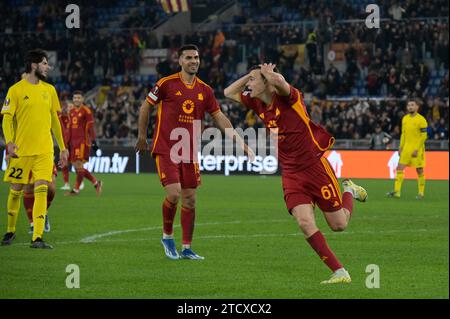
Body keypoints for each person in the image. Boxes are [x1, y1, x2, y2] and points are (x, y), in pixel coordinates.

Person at [224, 63, 368, 284]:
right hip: (291, 173)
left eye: (253, 80)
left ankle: (348, 189)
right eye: (249, 80)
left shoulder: (290, 99)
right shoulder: (257, 104)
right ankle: (340, 271)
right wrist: (251, 75)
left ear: (267, 84)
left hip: (314, 168)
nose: (248, 84)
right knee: (303, 222)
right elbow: (228, 93)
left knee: (339, 224)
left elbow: (282, 84)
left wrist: (270, 75)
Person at [135, 44, 253, 260]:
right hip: (166, 148)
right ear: (179, 61)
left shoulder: (205, 90)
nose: (194, 61)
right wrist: (142, 136)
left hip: (189, 151)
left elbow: (220, 118)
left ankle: (187, 248)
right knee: (174, 193)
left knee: (190, 200)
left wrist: (242, 144)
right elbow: (145, 107)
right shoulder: (166, 84)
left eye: (196, 57)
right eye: (189, 57)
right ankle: (167, 237)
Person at [1, 48, 68, 248]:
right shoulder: (16, 90)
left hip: (45, 150)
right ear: (34, 65)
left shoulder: (50, 90)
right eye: (45, 63)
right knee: (15, 190)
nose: (48, 67)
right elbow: (6, 118)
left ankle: (37, 237)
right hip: (21, 150)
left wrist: (62, 147)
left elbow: (55, 121)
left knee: (42, 189)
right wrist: (10, 142)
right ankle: (10, 230)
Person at [387, 98, 428, 199]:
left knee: (419, 170)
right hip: (406, 149)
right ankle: (397, 192)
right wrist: (400, 147)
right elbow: (403, 134)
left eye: (412, 105)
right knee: (399, 168)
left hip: (417, 149)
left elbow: (424, 136)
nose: (410, 107)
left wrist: (417, 149)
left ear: (417, 107)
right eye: (409, 105)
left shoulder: (421, 120)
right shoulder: (405, 118)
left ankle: (421, 193)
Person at [67, 91, 102, 196]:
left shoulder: (87, 111)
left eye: (78, 98)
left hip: (82, 142)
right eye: (75, 98)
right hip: (73, 143)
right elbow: (69, 129)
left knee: (79, 165)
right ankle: (96, 183)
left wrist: (94, 141)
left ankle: (76, 189)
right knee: (77, 167)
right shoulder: (71, 111)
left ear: (82, 99)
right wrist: (66, 143)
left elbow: (91, 128)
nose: (76, 100)